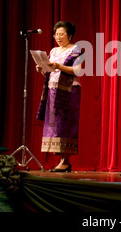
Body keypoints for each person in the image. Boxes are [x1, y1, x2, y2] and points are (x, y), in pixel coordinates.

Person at [36, 21, 83, 172]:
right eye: (56, 34)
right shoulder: (54, 51)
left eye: (61, 34)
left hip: (69, 90)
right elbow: (50, 72)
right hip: (53, 90)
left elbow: (77, 70)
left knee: (66, 124)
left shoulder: (76, 50)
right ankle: (61, 160)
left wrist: (59, 66)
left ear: (69, 35)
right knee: (55, 126)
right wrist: (42, 69)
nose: (58, 37)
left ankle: (66, 160)